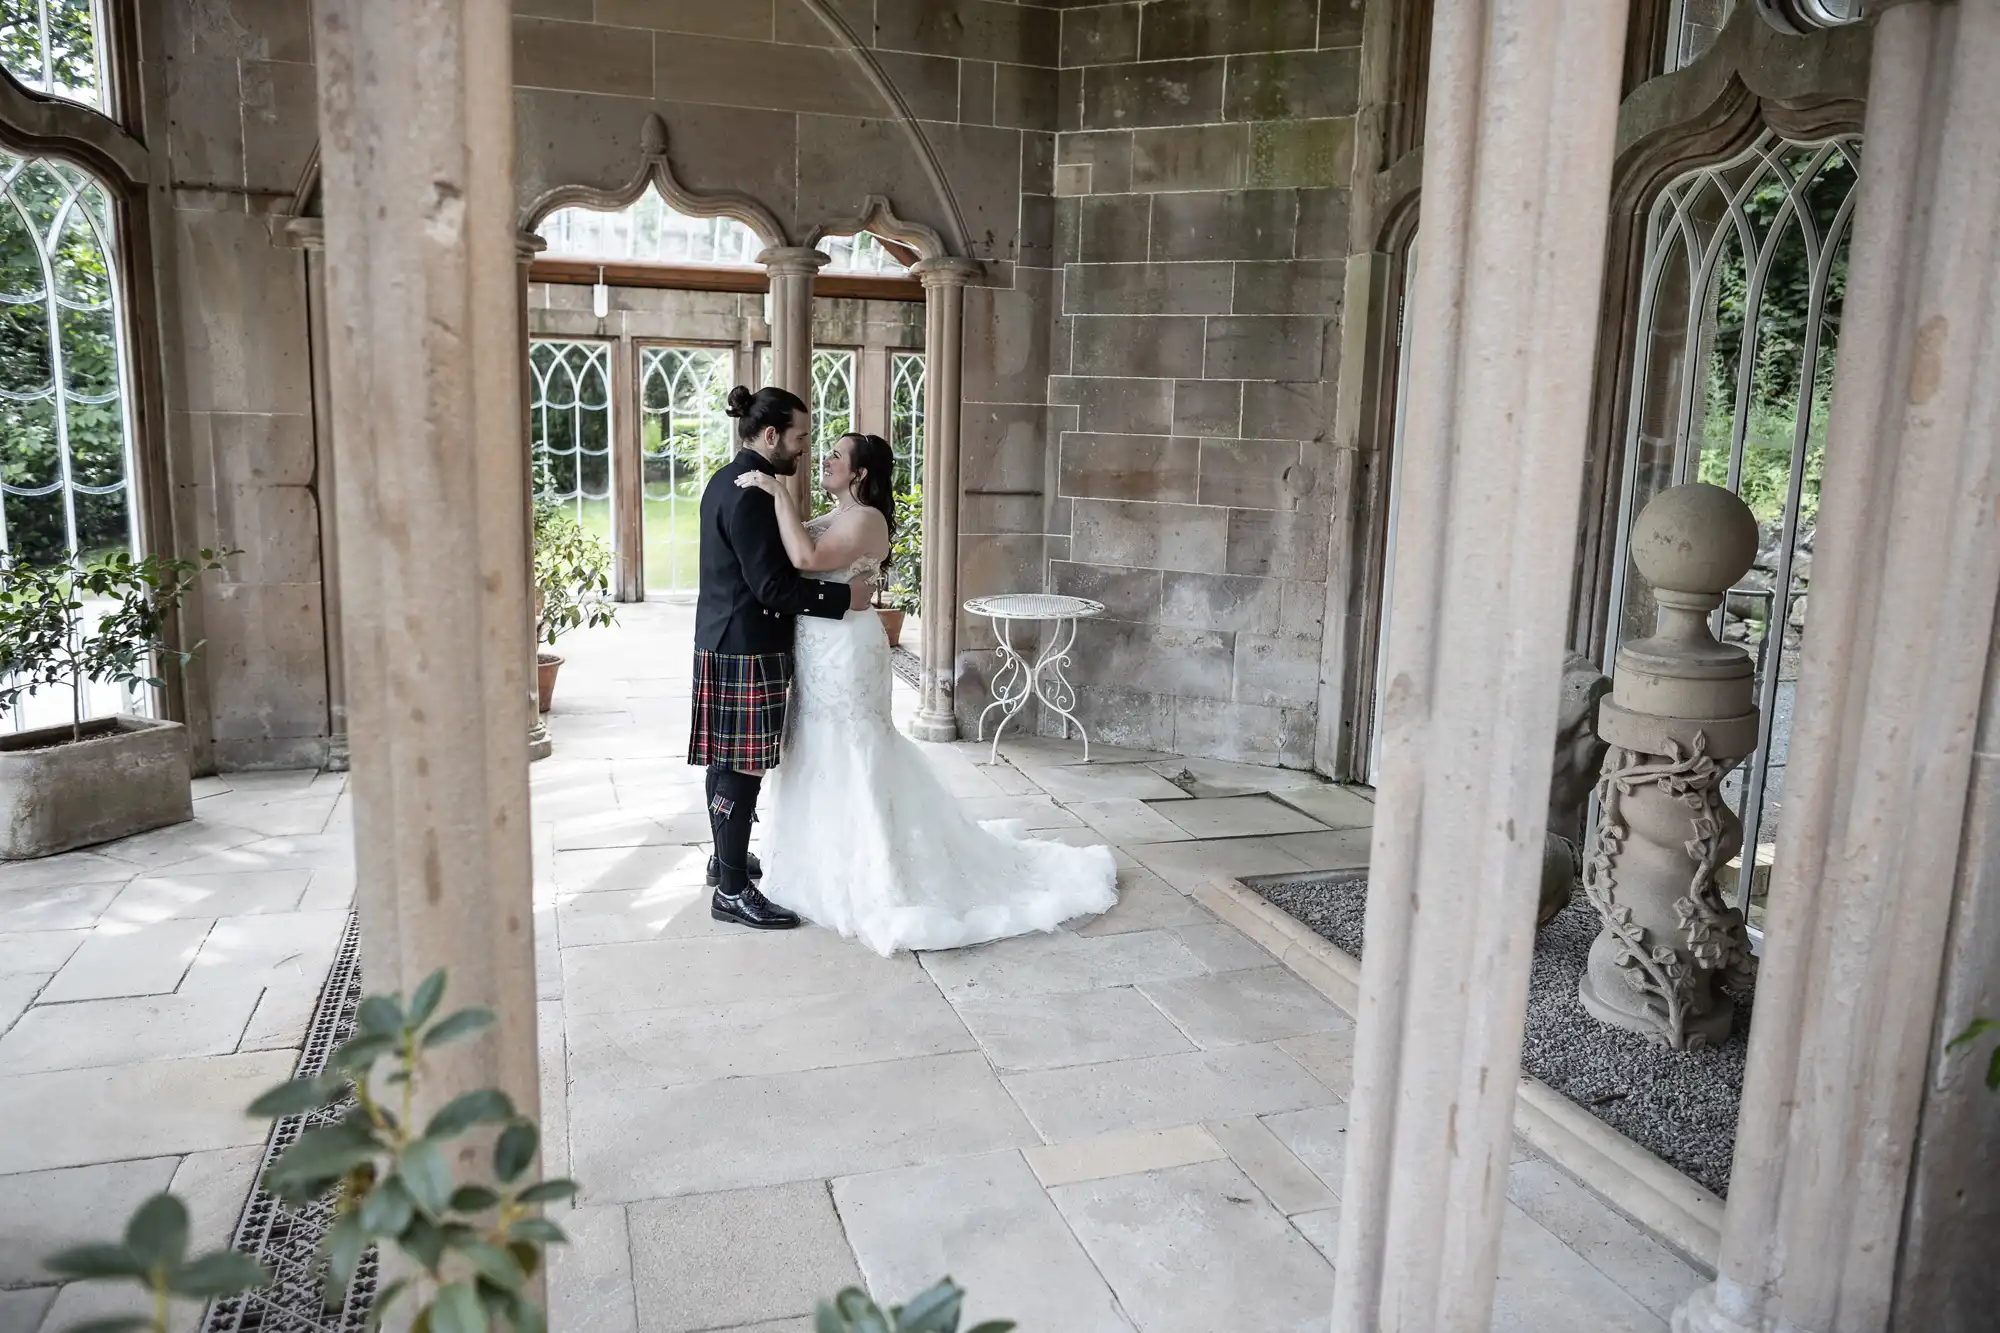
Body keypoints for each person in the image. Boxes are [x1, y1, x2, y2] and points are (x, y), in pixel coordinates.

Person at [732, 430, 1117, 956]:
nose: (824, 461)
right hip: (817, 643)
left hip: (846, 648)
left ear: (861, 473)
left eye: (836, 457)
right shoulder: (841, 514)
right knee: (815, 744)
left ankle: (877, 867)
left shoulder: (866, 519)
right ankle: (819, 861)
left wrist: (776, 492)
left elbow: (805, 558)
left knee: (852, 744)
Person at [689, 385, 859, 930]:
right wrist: (842, 599)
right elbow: (771, 587)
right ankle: (734, 891)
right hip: (749, 644)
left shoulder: (723, 481)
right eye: (800, 437)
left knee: (726, 759)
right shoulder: (753, 494)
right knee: (744, 766)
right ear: (770, 435)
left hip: (721, 637)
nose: (805, 448)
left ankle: (725, 862)